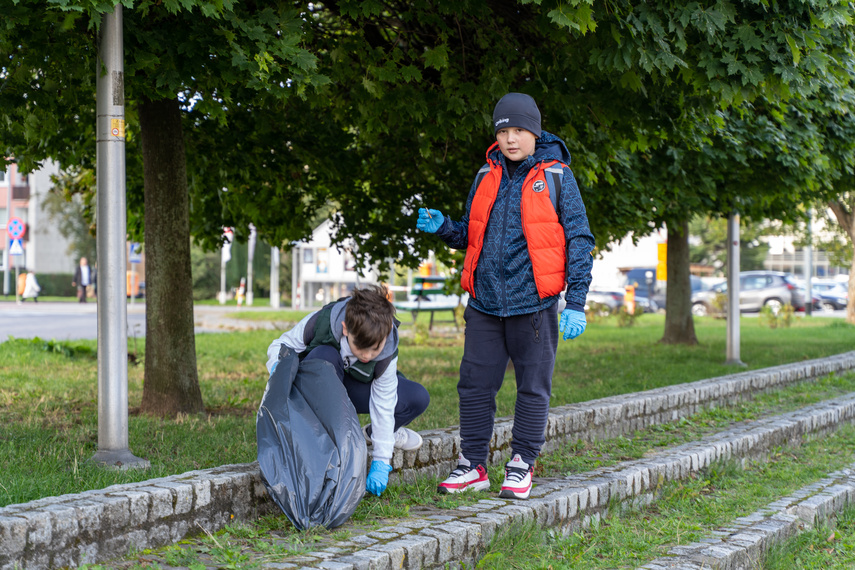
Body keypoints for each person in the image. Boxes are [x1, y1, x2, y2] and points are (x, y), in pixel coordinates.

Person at [417, 92, 595, 500]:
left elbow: (579, 240)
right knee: (474, 385)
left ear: (534, 132)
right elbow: (471, 234)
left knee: (532, 386)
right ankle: (473, 465)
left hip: (534, 304)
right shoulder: (485, 175)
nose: (511, 138)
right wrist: (445, 226)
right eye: (503, 130)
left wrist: (577, 301)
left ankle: (521, 464)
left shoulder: (556, 177)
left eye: (518, 130)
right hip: (484, 304)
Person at [265, 284, 430, 497]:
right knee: (324, 355)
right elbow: (280, 345)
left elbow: (384, 402)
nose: (367, 356)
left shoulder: (386, 347)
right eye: (359, 348)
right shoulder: (321, 322)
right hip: (318, 388)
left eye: (374, 349)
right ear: (345, 329)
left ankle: (375, 435)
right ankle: (326, 440)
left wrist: (381, 461)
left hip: (354, 388)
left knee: (416, 397)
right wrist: (279, 370)